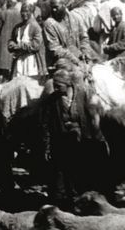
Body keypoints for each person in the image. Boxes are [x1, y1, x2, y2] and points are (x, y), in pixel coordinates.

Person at [40, 69, 108, 209]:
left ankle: (84, 203)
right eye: (55, 85)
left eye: (59, 85)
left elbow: (94, 117)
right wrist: (46, 146)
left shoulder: (84, 95)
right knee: (63, 175)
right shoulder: (52, 100)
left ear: (69, 83)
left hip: (83, 142)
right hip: (62, 143)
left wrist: (82, 129)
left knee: (83, 173)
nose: (56, 88)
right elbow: (45, 124)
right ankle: (65, 204)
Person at [42, 0, 94, 69]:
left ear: (64, 5)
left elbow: (84, 37)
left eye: (56, 7)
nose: (53, 10)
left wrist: (85, 52)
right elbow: (55, 49)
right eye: (52, 7)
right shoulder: (49, 24)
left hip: (78, 56)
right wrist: (76, 60)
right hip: (60, 61)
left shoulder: (75, 18)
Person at [8, 3, 45, 81]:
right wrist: (11, 44)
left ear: (31, 12)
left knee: (30, 81)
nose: (24, 14)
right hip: (19, 59)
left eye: (27, 11)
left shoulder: (35, 27)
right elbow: (12, 39)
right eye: (22, 11)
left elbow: (36, 45)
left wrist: (20, 46)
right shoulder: (18, 27)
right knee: (18, 80)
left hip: (31, 60)